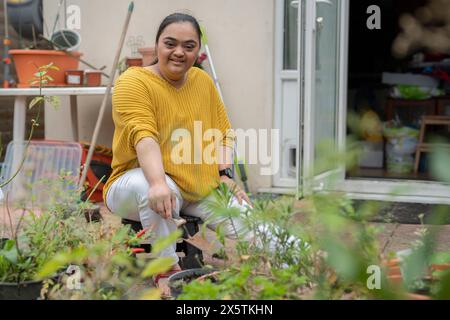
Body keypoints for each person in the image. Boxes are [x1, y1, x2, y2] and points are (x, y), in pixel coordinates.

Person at [103, 13, 252, 297]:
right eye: (170, 43)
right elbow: (143, 135)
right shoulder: (133, 81)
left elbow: (223, 133)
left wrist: (224, 174)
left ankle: (305, 259)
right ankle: (168, 273)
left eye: (189, 46)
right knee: (153, 188)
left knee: (249, 221)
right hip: (131, 186)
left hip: (192, 187)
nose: (179, 52)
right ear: (157, 45)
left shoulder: (202, 82)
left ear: (198, 51)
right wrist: (157, 182)